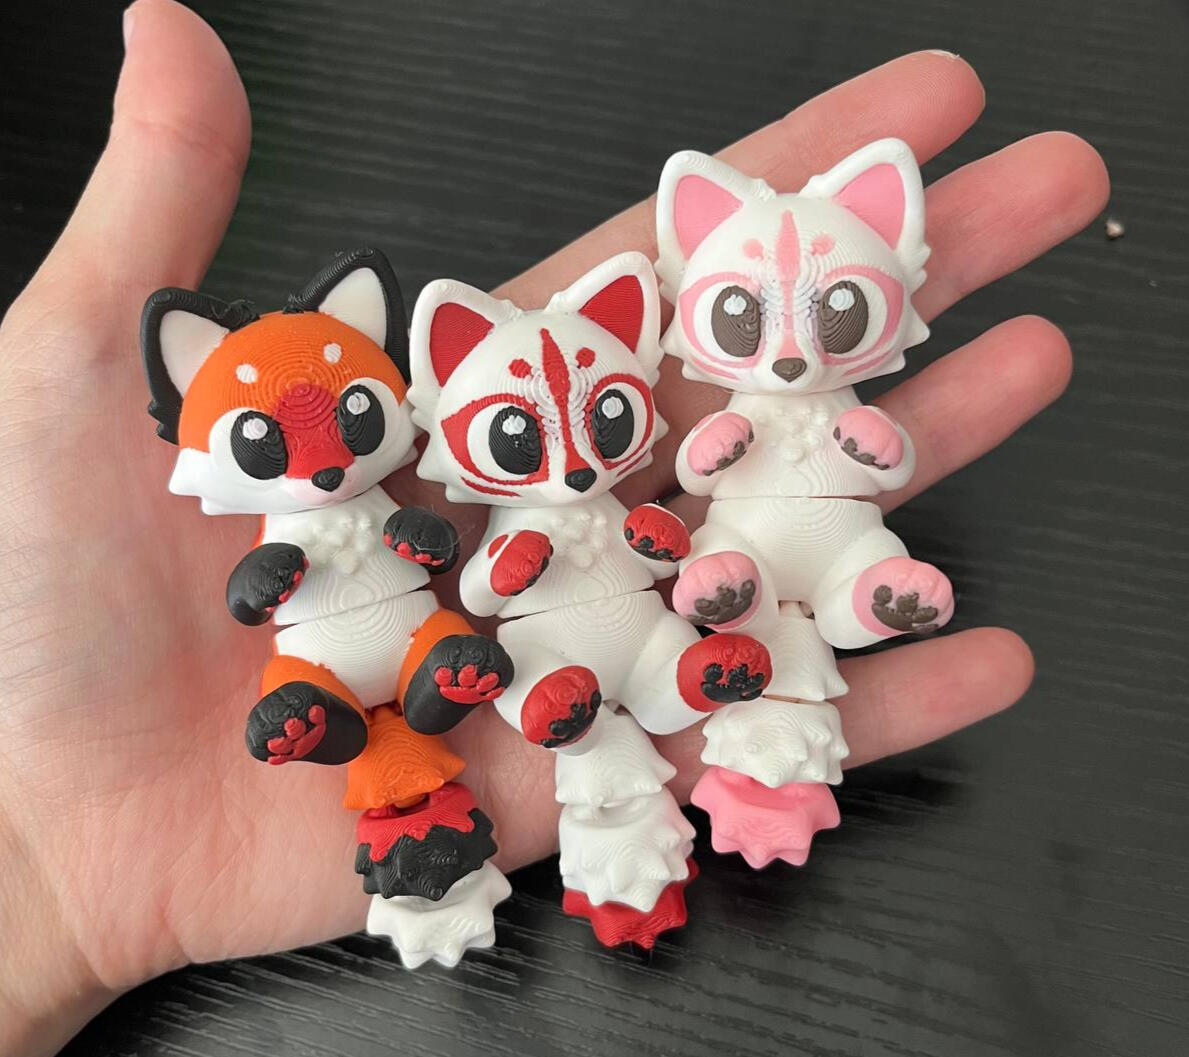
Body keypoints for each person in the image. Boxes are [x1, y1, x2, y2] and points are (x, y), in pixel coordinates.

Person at [0, 2, 1109, 1053]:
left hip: (628, 616)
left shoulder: (632, 468)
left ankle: (725, 662)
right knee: (478, 655)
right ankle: (415, 715)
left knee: (645, 643)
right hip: (468, 648)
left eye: (604, 418)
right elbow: (477, 584)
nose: (575, 458)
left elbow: (618, 531)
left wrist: (654, 542)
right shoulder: (350, 520)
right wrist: (455, 562)